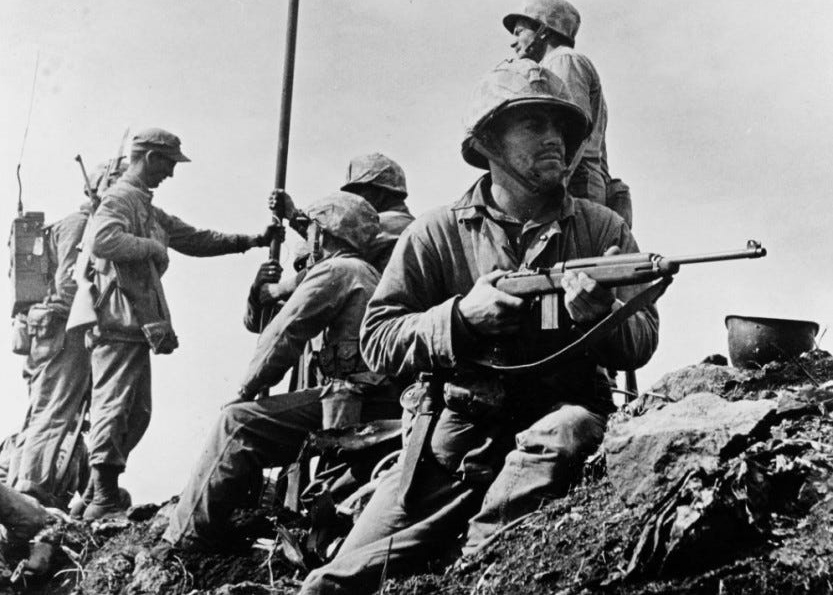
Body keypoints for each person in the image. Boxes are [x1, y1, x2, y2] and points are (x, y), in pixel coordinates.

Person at [300, 59, 659, 594]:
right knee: (328, 587)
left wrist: (602, 318)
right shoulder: (436, 233)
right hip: (453, 445)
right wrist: (460, 320)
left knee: (562, 437)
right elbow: (378, 338)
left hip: (554, 433)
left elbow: (644, 342)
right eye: (534, 125)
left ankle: (475, 562)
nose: (555, 139)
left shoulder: (602, 228)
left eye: (561, 127)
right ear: (490, 140)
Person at [162, 191, 401, 551]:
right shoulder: (366, 272)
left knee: (237, 424)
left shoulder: (337, 270)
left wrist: (244, 391)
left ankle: (182, 541)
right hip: (376, 403)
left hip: (357, 403)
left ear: (322, 235)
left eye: (313, 234)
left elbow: (284, 335)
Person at [76, 128, 276, 521]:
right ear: (150, 158)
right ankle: (102, 497)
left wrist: (250, 240)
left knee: (137, 413)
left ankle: (93, 492)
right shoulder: (120, 198)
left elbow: (193, 238)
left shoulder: (144, 205)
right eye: (168, 162)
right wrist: (151, 247)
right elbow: (102, 240)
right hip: (117, 321)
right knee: (116, 408)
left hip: (133, 324)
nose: (171, 172)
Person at [9, 159, 125, 509]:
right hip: (63, 330)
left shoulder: (85, 225)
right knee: (54, 412)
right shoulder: (80, 225)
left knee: (57, 412)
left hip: (60, 332)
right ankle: (30, 491)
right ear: (99, 188)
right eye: (116, 184)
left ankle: (31, 488)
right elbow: (69, 286)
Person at [245, 153, 414, 333]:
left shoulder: (397, 227)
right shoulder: (383, 231)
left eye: (356, 193)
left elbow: (338, 251)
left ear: (379, 192)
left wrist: (277, 289)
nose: (350, 201)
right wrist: (258, 292)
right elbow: (256, 324)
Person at [504, 0, 632, 225]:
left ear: (543, 30)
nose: (513, 42)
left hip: (575, 182)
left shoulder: (562, 60)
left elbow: (572, 130)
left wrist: (553, 193)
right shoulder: (556, 64)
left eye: (519, 32)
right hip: (576, 180)